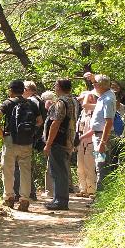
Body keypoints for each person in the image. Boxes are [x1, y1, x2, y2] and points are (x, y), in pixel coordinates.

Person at [0, 80, 42, 212]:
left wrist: (1, 134)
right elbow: (40, 121)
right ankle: (25, 200)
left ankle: (9, 198)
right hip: (26, 141)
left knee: (8, 169)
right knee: (25, 170)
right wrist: (30, 132)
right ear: (23, 90)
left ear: (11, 90)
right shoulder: (31, 104)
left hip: (10, 139)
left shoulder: (8, 103)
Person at [43, 79, 77, 210]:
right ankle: (58, 199)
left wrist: (48, 143)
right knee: (60, 170)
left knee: (58, 171)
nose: (54, 88)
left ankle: (60, 202)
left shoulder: (61, 102)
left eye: (56, 86)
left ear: (60, 87)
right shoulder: (72, 100)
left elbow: (56, 123)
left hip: (59, 140)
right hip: (68, 139)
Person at [83, 72, 116, 191]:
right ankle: (101, 194)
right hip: (98, 136)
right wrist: (93, 78)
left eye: (95, 83)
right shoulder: (104, 96)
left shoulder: (107, 99)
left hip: (101, 137)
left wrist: (103, 142)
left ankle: (102, 195)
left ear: (100, 85)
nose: (93, 85)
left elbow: (109, 122)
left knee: (102, 165)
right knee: (99, 164)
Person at [13, 81, 45, 201]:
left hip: (23, 138)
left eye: (25, 88)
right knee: (26, 165)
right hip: (30, 137)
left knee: (19, 166)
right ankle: (30, 193)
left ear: (29, 89)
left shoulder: (31, 101)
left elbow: (38, 120)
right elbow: (40, 121)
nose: (24, 91)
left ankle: (20, 194)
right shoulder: (36, 100)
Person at [75, 91, 97, 198]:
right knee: (80, 167)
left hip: (90, 143)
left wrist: (81, 137)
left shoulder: (95, 111)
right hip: (81, 144)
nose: (80, 102)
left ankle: (91, 190)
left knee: (90, 166)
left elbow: (94, 129)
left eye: (82, 99)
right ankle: (83, 189)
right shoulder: (83, 112)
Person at [109, 90, 125, 170]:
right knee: (112, 162)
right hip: (111, 140)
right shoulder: (107, 109)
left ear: (119, 99)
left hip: (124, 139)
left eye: (116, 99)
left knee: (124, 161)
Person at [40, 90, 56, 198]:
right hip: (52, 142)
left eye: (44, 101)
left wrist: (48, 143)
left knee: (51, 167)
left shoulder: (53, 111)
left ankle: (51, 192)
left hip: (53, 143)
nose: (43, 104)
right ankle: (52, 191)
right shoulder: (52, 111)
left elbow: (53, 127)